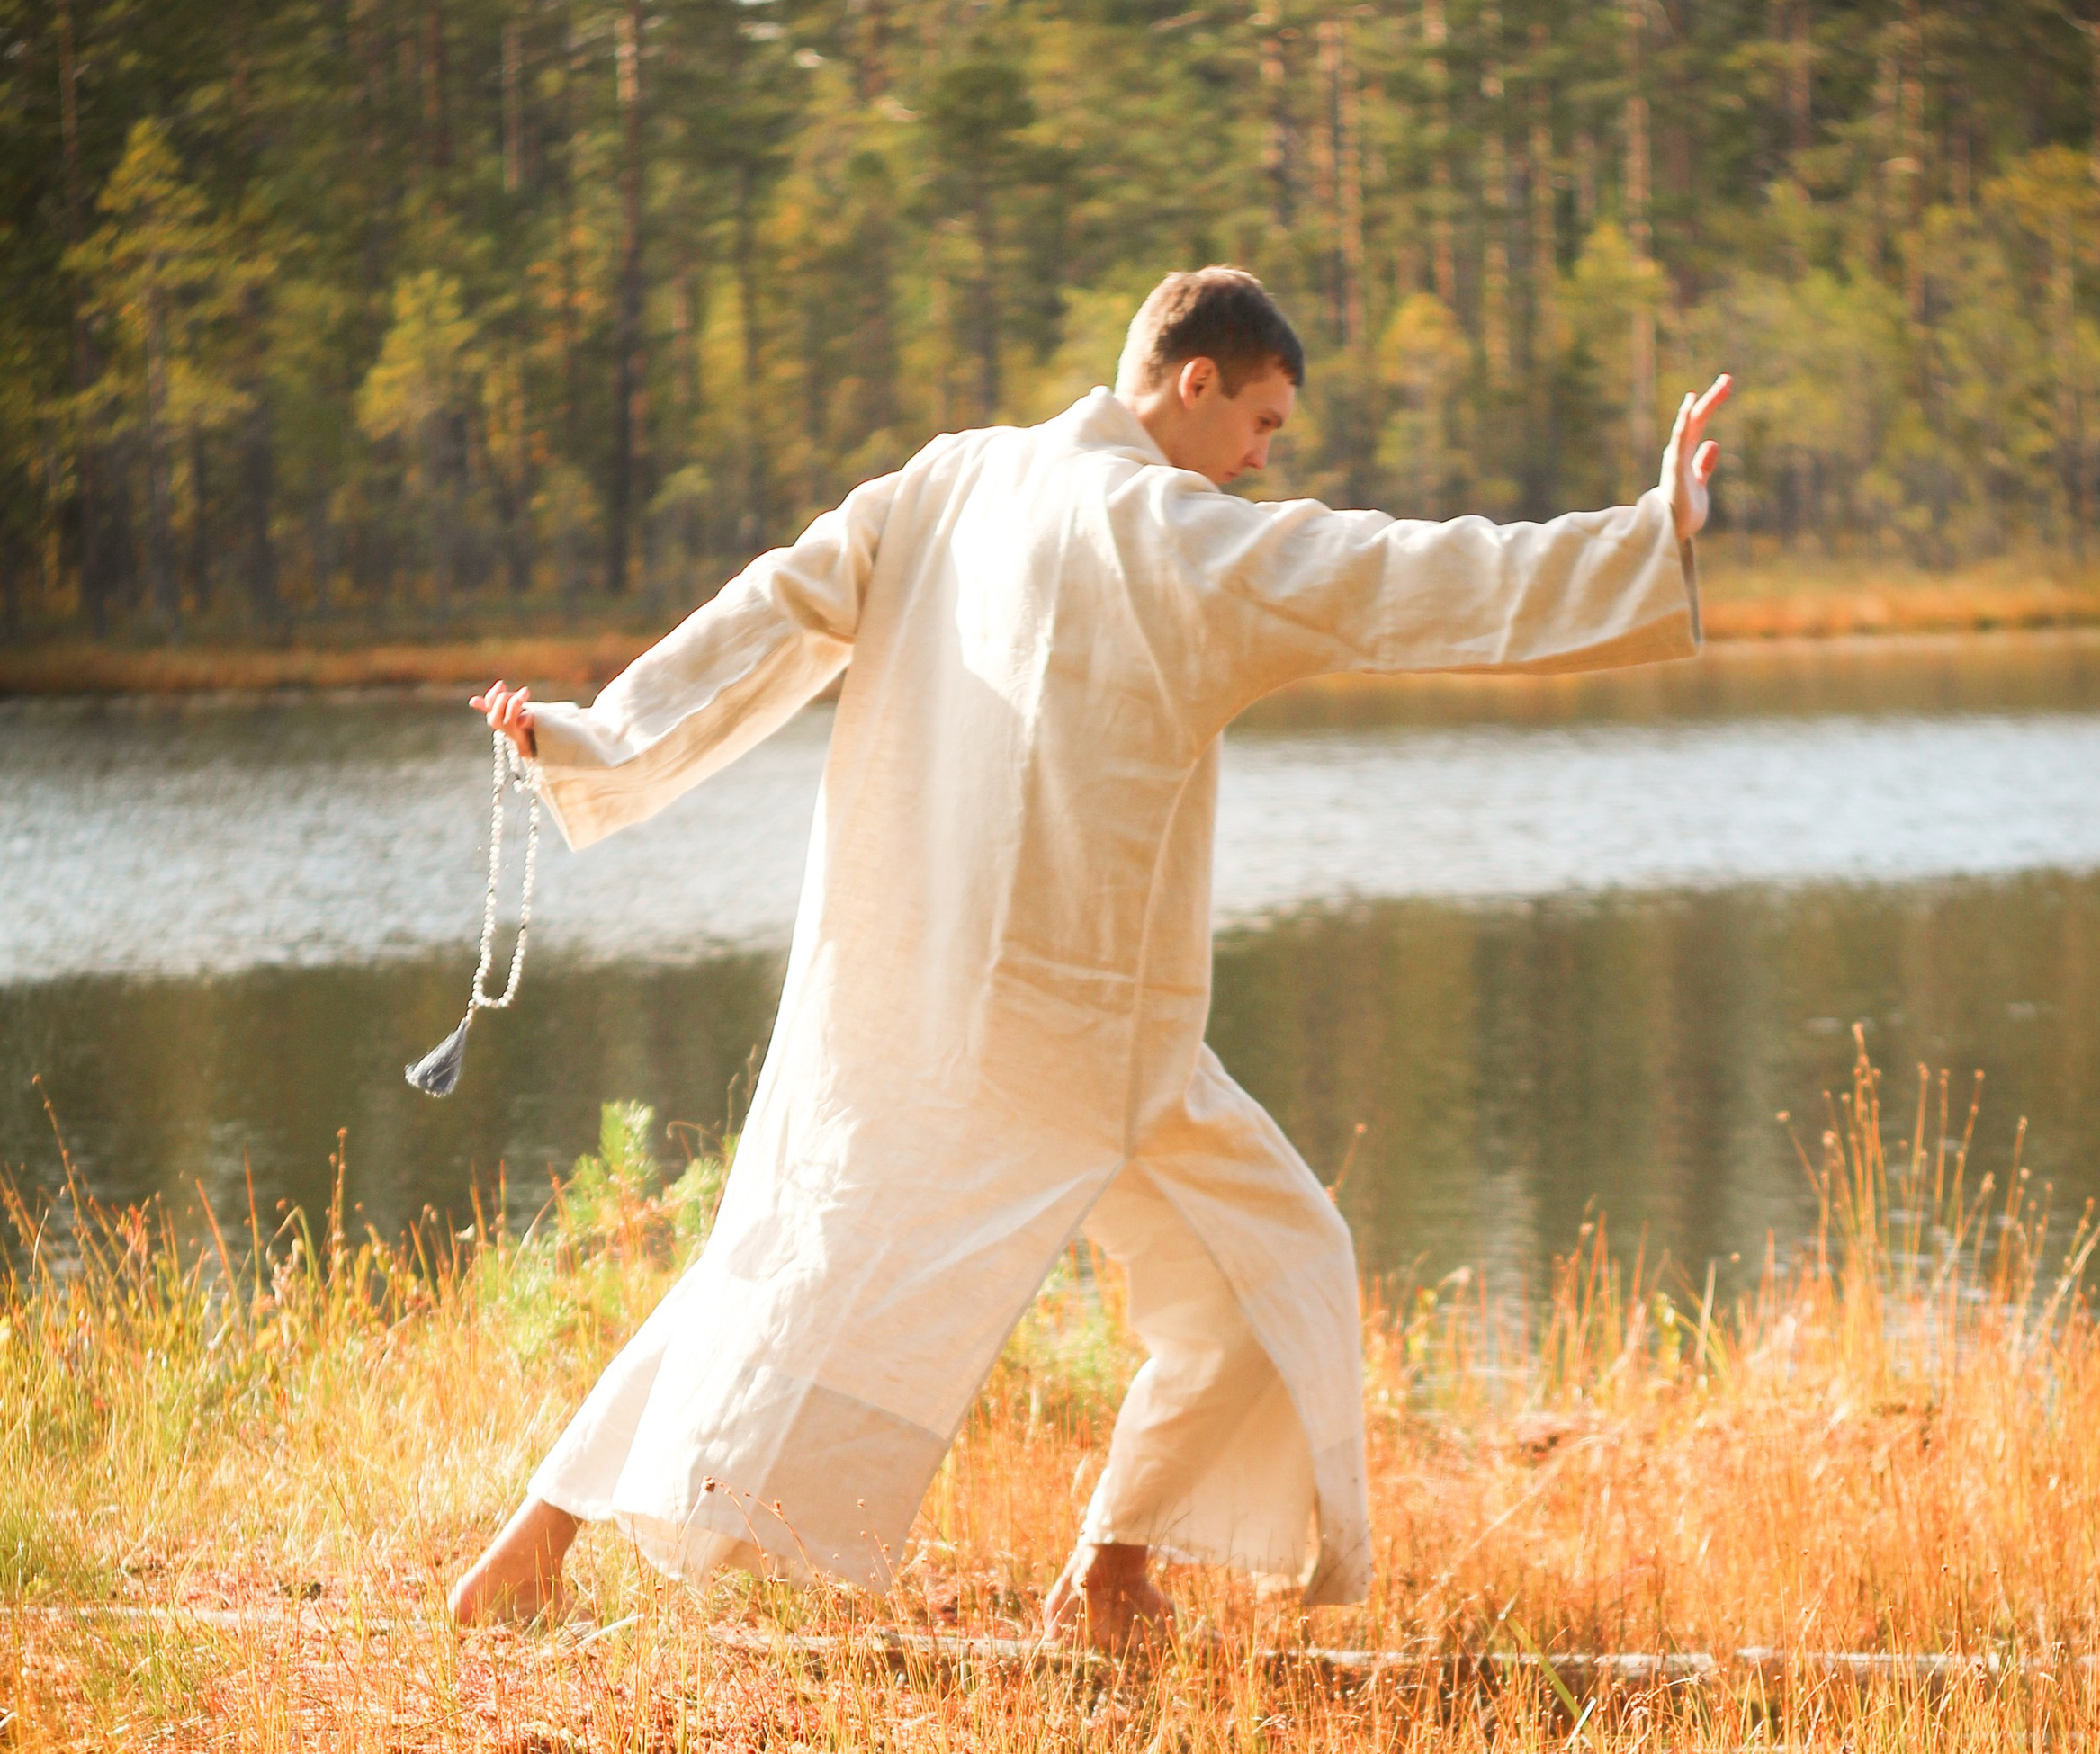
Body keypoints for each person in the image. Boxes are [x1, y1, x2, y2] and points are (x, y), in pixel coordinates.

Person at [452, 268, 1731, 1644]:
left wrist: (596, 735)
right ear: (1195, 382)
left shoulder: (949, 479)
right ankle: (543, 1551)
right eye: (1262, 423)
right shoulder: (1173, 535)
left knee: (1244, 1257)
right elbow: (1401, 578)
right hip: (1062, 1034)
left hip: (1044, 1026)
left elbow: (771, 615)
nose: (1261, 459)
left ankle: (1104, 1579)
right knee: (815, 1266)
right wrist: (1647, 539)